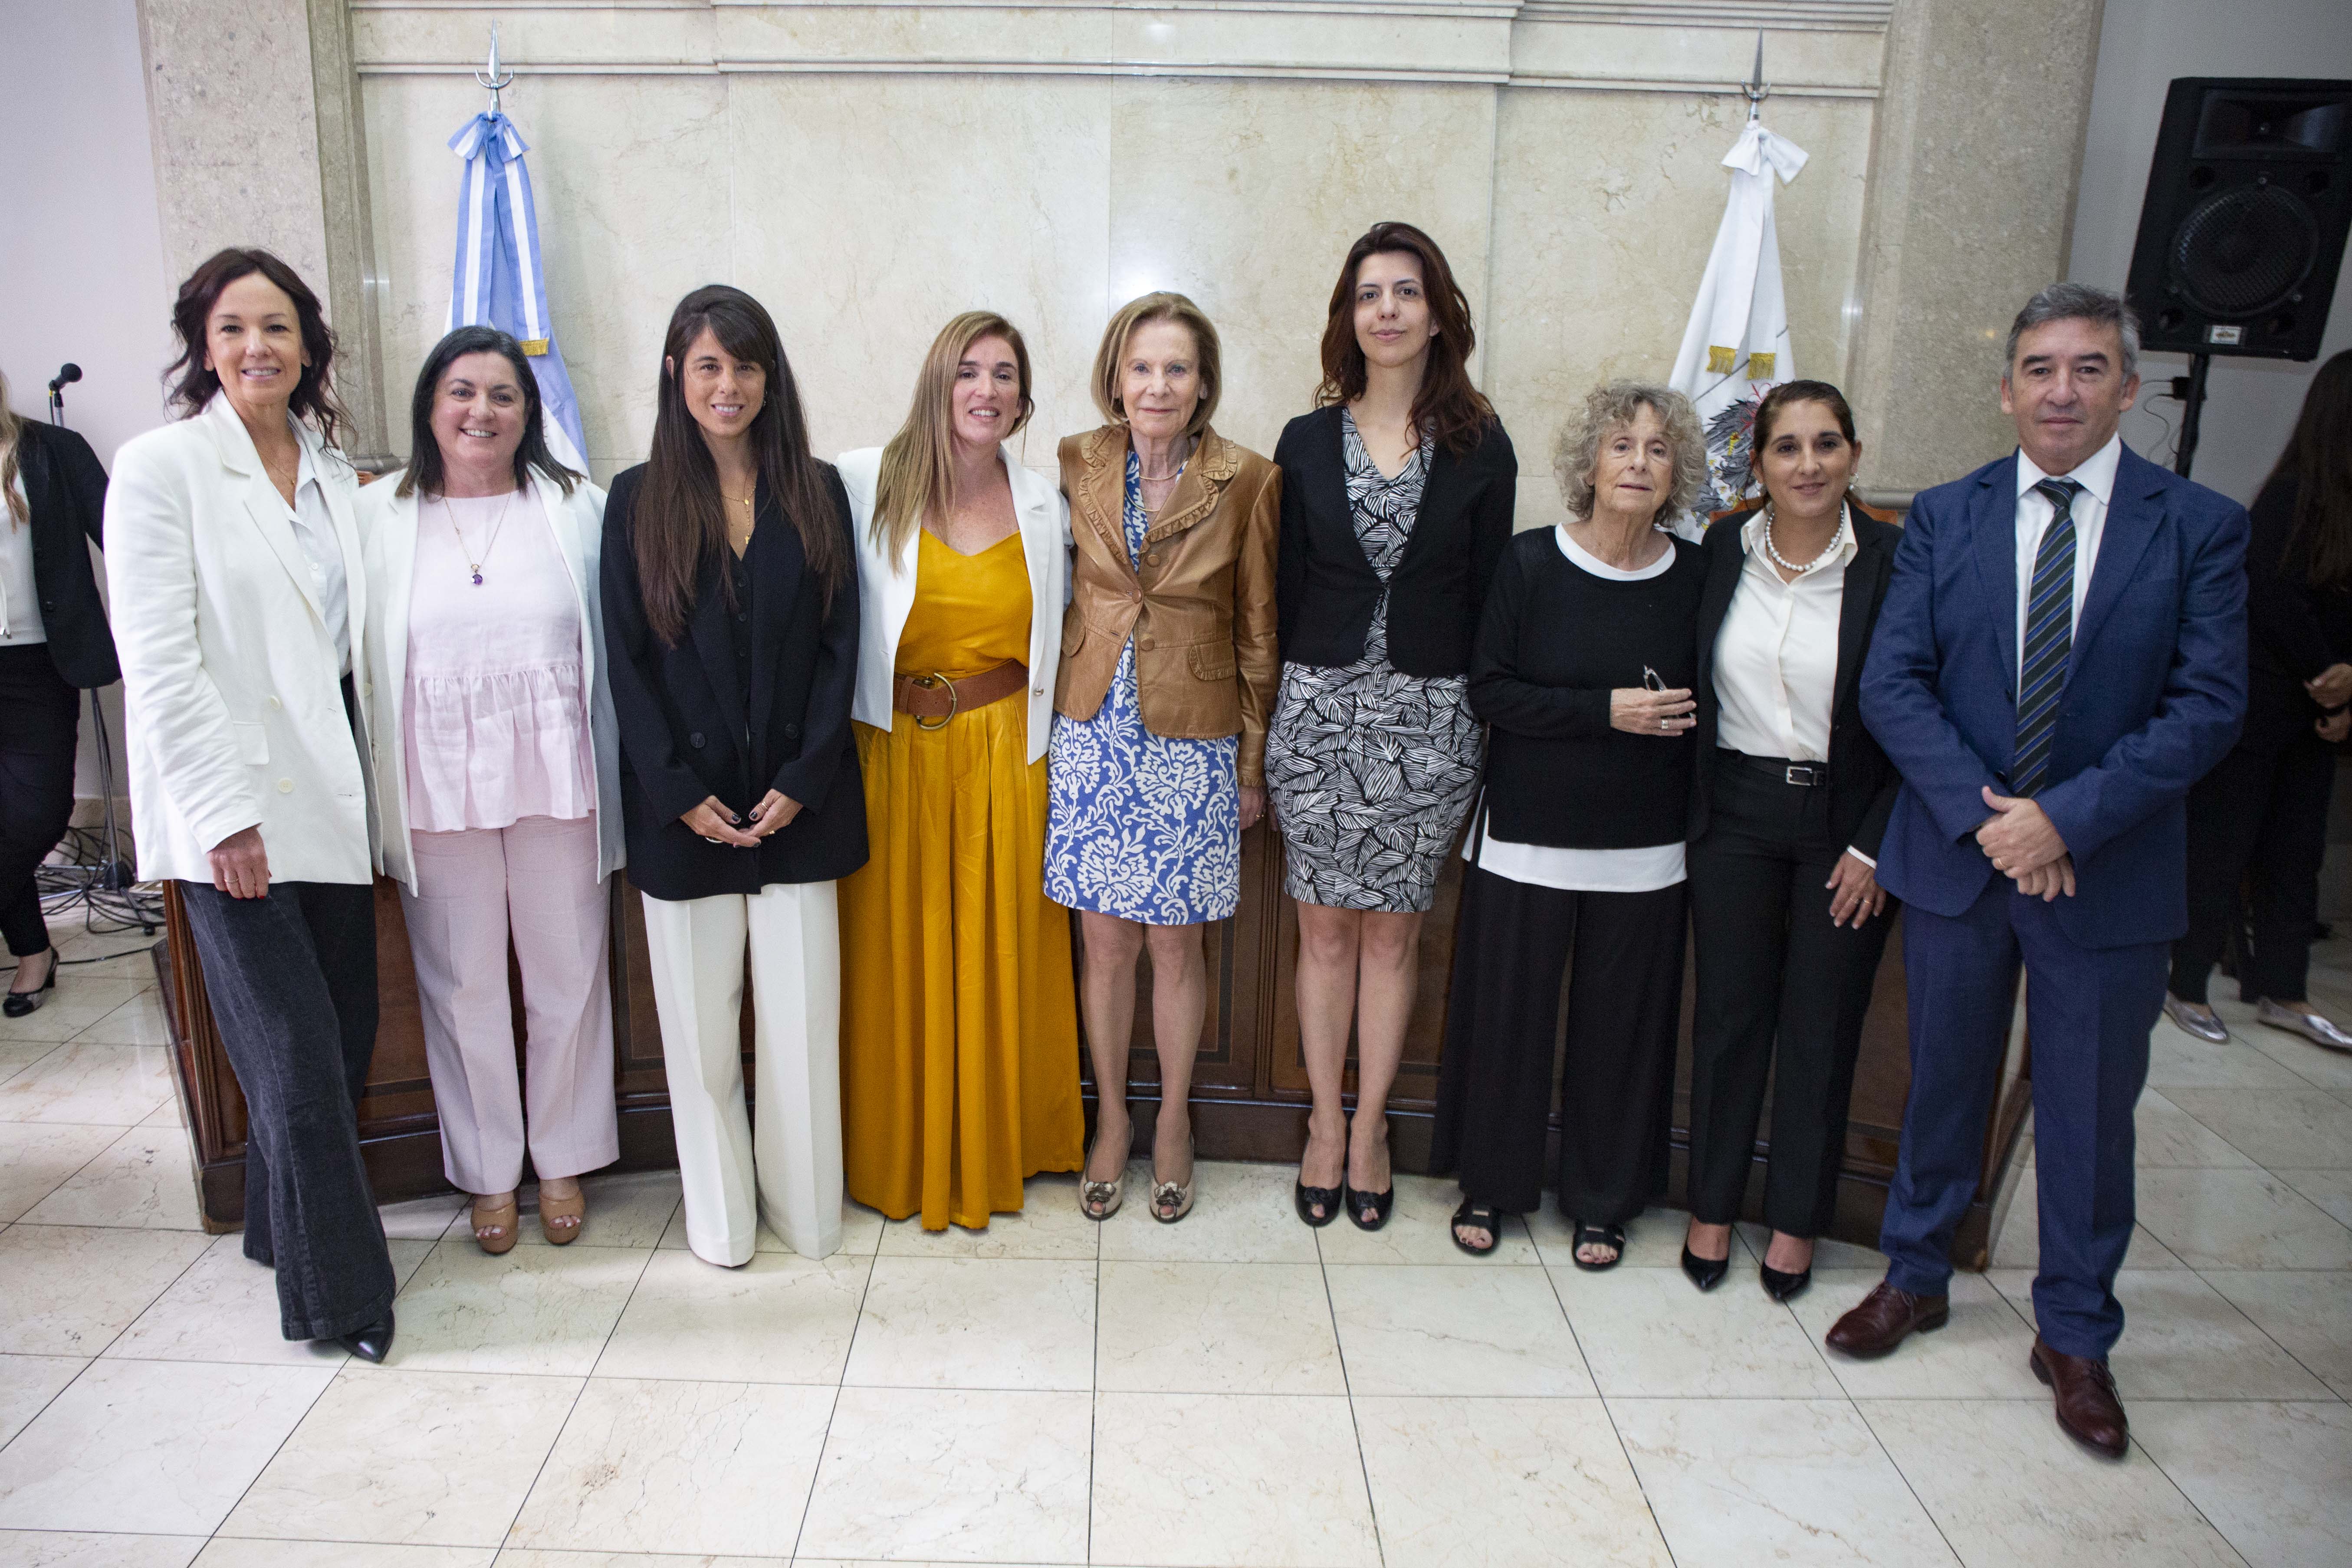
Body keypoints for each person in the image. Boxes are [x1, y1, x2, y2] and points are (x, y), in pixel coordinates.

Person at [1832, 283, 2246, 1460]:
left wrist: (2061, 820)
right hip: (1962, 865)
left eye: (2084, 368)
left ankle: (2074, 1331)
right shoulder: (1944, 517)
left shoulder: (2197, 526)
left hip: (2103, 872)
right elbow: (1892, 683)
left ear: (2125, 385)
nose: (2058, 390)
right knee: (1941, 1084)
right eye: (2036, 368)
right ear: (2005, 385)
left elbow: (2208, 704)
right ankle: (1913, 1274)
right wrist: (1988, 820)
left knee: (2083, 1112)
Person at [106, 248, 396, 1360]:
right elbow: (161, 661)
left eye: (276, 327)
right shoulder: (161, 467)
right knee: (294, 1058)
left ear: (309, 344)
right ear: (204, 344)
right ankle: (342, 1301)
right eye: (233, 329)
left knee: (343, 1037)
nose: (257, 348)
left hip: (328, 803)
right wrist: (224, 817)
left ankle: (281, 1232)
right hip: (231, 816)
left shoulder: (331, 472)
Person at [601, 284, 865, 1265]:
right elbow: (624, 661)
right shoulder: (634, 499)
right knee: (701, 1044)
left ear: (770, 377)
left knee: (800, 1032)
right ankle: (720, 1224)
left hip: (801, 806)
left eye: (744, 365)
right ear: (676, 374)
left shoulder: (817, 487)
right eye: (707, 364)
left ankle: (805, 1212)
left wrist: (806, 773)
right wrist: (675, 792)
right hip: (686, 815)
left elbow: (843, 645)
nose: (728, 384)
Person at [1268, 221, 1515, 1230]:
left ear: (1436, 312)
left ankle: (1373, 1126)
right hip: (1318, 713)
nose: (1387, 310)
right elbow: (1276, 592)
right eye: (1369, 293)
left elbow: (1496, 597)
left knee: (1394, 935)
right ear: (1349, 316)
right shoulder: (1301, 440)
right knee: (1323, 931)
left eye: (1405, 292)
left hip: (1432, 717)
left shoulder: (1480, 444)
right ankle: (1323, 1123)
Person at [1432, 382, 1708, 1268]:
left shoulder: (1699, 575)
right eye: (1620, 445)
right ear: (1588, 462)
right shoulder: (1530, 563)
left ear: (1677, 473)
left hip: (1647, 851)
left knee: (1620, 1035)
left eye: (1657, 450)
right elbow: (1491, 689)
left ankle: (1602, 1198)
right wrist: (1606, 711)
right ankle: (1492, 1184)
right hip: (1527, 838)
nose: (1637, 462)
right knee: (1505, 1023)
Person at [360, 326, 622, 1253]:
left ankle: (562, 1157)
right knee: (462, 982)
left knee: (568, 976)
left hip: (560, 771)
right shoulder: (379, 515)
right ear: (430, 406)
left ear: (529, 410)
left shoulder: (575, 504)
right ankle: (485, 1172)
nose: (482, 411)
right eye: (461, 392)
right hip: (434, 779)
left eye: (503, 395)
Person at [836, 312, 1084, 1230]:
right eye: (967, 371)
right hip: (892, 756)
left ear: (1023, 399)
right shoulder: (863, 483)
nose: (986, 389)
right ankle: (896, 1148)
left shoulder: (1046, 503)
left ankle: (1003, 1143)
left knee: (1002, 951)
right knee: (892, 958)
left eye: (1005, 375)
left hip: (1004, 760)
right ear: (937, 382)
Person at [1046, 292, 1278, 1224]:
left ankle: (1175, 1121)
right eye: (1140, 366)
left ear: (1204, 383)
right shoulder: (1073, 460)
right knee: (1103, 942)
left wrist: (1253, 764)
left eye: (1176, 368)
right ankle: (1111, 1119)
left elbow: (1261, 629)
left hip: (1195, 735)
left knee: (1175, 944)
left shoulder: (1249, 478)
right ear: (1115, 376)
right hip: (1094, 727)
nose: (1157, 384)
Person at [1682, 380, 1901, 1302]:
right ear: (1758, 463)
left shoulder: (1896, 559)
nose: (1807, 464)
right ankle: (1712, 1206)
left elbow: (1919, 709)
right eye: (1786, 448)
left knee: (1819, 1029)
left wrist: (1876, 843)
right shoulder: (1721, 547)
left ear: (1852, 454)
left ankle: (1796, 1220)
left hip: (1842, 830)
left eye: (1826, 444)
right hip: (1731, 813)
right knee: (1729, 1022)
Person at [2167, 348, 2352, 1053]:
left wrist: (2346, 683)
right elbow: (2271, 598)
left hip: (2318, 713)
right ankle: (2186, 984)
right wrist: (2325, 671)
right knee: (2221, 847)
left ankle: (2284, 990)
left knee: (2296, 853)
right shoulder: (2292, 494)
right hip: (2258, 704)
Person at [0, 370, 118, 1016]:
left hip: (39, 664)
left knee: (38, 814)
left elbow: (128, 543)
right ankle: (33, 953)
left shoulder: (52, 451)